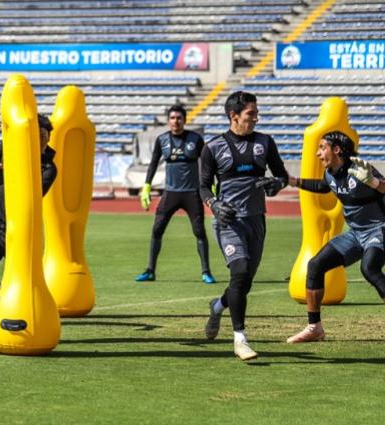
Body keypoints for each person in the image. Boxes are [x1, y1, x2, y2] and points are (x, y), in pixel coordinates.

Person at [199, 91, 290, 361]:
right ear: (233, 116)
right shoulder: (213, 147)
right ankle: (240, 338)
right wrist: (214, 205)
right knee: (238, 273)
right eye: (251, 114)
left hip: (256, 220)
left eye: (256, 113)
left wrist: (277, 184)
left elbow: (282, 175)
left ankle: (217, 307)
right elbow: (203, 186)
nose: (256, 118)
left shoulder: (265, 142)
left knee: (245, 281)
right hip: (228, 222)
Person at [286, 131, 385, 343]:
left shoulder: (360, 170)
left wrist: (374, 182)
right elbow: (324, 186)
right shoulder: (330, 173)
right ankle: (314, 329)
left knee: (369, 268)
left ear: (337, 150)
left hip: (379, 228)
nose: (317, 153)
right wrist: (291, 181)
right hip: (355, 233)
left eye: (322, 148)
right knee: (315, 265)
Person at [0, 112, 57, 302]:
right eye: (38, 135)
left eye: (45, 136)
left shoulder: (49, 168)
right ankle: (2, 306)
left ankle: (25, 310)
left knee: (22, 276)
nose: (42, 141)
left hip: (22, 227)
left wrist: (15, 170)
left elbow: (33, 195)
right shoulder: (7, 148)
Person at [135, 105, 216, 284]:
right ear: (168, 120)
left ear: (185, 120)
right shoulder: (161, 140)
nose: (176, 121)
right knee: (157, 230)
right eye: (172, 118)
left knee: (199, 232)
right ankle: (150, 271)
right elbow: (153, 163)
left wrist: (211, 185)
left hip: (191, 194)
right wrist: (146, 185)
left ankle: (206, 272)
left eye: (179, 118)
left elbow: (207, 163)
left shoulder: (195, 139)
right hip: (170, 193)